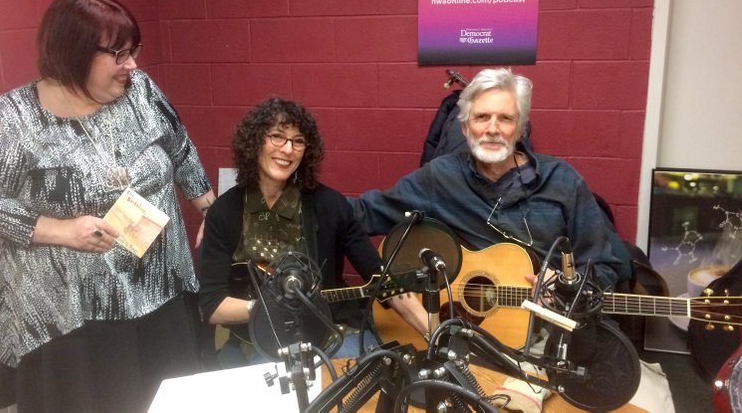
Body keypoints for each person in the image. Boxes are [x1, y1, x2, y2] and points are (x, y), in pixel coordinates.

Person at [0, 0, 216, 412]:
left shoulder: (140, 91)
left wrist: (212, 212)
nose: (132, 64)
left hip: (157, 287)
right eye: (119, 53)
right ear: (73, 53)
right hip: (68, 314)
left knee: (169, 398)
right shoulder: (14, 119)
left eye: (134, 51)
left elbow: (180, 148)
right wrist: (60, 230)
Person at [350, 67, 628, 290]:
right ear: (465, 127)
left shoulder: (564, 182)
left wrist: (567, 287)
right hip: (469, 328)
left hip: (547, 331)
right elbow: (361, 214)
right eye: (482, 117)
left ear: (520, 129)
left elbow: (605, 268)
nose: (492, 129)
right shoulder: (440, 177)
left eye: (505, 119)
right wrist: (308, 193)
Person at [198, 97, 427, 367]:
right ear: (255, 141)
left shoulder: (329, 205)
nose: (287, 149)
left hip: (331, 331)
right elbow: (213, 306)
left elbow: (383, 281)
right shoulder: (224, 212)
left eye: (298, 141)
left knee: (368, 379)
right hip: (260, 338)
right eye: (276, 137)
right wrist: (269, 309)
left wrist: (433, 331)